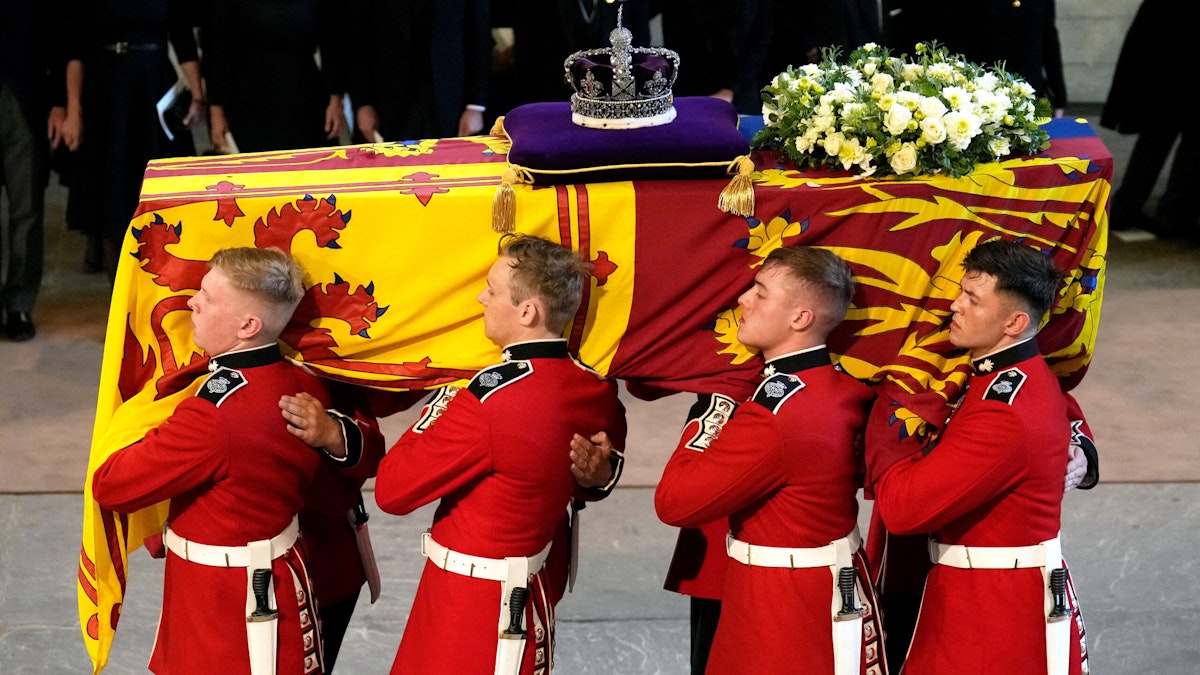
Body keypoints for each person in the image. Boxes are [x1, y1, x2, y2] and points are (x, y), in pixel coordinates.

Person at [373, 233, 627, 674]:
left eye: (491, 290)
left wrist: (445, 398)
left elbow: (393, 491)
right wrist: (601, 475)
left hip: (470, 607)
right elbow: (597, 468)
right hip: (532, 593)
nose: (479, 298)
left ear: (527, 312)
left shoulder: (487, 402)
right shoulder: (593, 386)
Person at [92, 247, 329, 674]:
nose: (191, 302)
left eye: (207, 296)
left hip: (223, 605)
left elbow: (111, 485)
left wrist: (134, 416)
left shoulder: (212, 414)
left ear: (248, 325)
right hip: (276, 577)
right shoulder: (299, 378)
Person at [654, 246, 885, 675]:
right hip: (827, 591)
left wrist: (710, 413)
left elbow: (675, 502)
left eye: (760, 293)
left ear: (800, 318)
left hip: (781, 612)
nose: (743, 300)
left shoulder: (777, 413)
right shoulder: (841, 389)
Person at [864, 239, 1089, 674]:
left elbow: (903, 510)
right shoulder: (1000, 374)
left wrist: (889, 425)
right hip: (980, 594)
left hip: (990, 615)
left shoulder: (1001, 412)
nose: (953, 306)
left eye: (971, 299)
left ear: (1015, 322)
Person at [61, 0, 205, 279]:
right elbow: (74, 49)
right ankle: (119, 283)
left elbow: (183, 37)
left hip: (154, 88)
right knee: (111, 185)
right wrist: (73, 108)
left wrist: (197, 95)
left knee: (159, 182)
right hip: (105, 91)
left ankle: (163, 275)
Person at [1100, 0, 1197, 242]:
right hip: (1173, 64)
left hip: (1166, 66)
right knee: (1178, 143)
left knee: (1157, 141)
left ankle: (1132, 208)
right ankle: (1170, 213)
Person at [203, 0, 348, 153]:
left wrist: (336, 97)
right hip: (248, 101)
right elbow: (217, 49)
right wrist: (216, 110)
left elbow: (332, 43)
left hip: (305, 96)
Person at [0, 1, 63, 341]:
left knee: (26, 208)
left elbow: (55, 36)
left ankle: (19, 304)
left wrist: (58, 101)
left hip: (25, 96)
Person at [349, 0, 492, 141]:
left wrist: (475, 106)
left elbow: (480, 33)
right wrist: (363, 103)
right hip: (390, 101)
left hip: (450, 99)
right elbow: (359, 38)